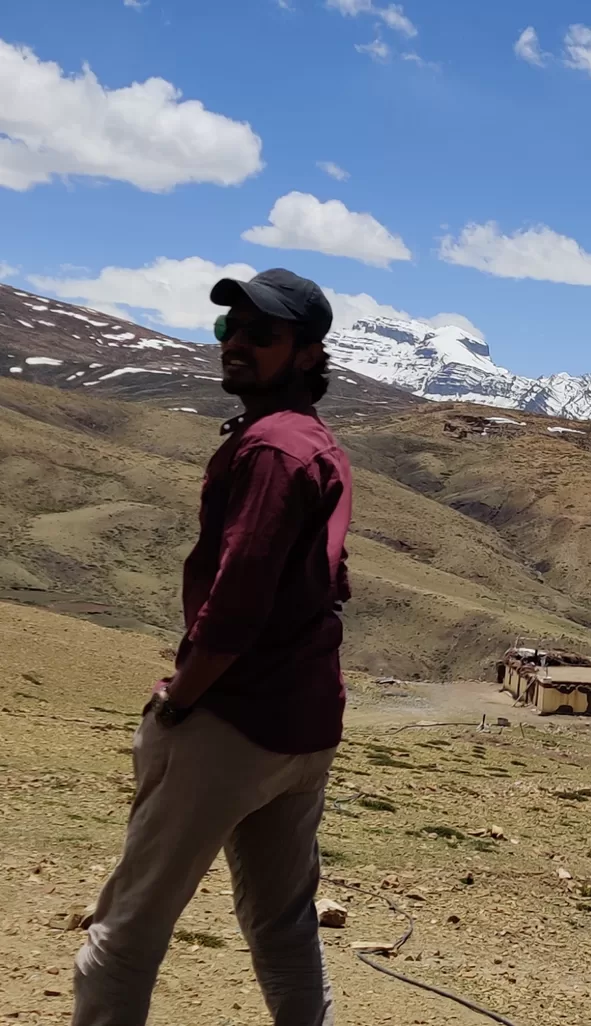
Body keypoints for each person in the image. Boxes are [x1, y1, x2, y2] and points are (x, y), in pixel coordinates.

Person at [72, 269, 354, 1026]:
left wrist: (182, 697)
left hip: (230, 723)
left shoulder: (271, 451)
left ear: (306, 352)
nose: (236, 345)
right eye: (231, 329)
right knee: (284, 924)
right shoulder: (313, 441)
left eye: (262, 335)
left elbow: (237, 601)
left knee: (125, 932)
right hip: (304, 726)